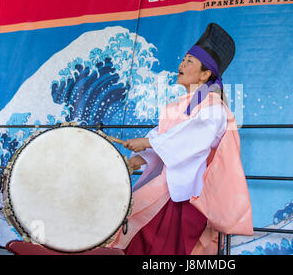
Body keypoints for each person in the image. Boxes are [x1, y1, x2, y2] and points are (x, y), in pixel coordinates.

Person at [107, 23, 253, 255]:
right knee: (137, 236)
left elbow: (189, 138)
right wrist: (137, 159)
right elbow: (166, 138)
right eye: (184, 59)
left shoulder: (215, 108)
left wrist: (147, 142)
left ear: (206, 75)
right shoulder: (175, 108)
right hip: (167, 189)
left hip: (189, 196)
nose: (182, 64)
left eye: (190, 62)